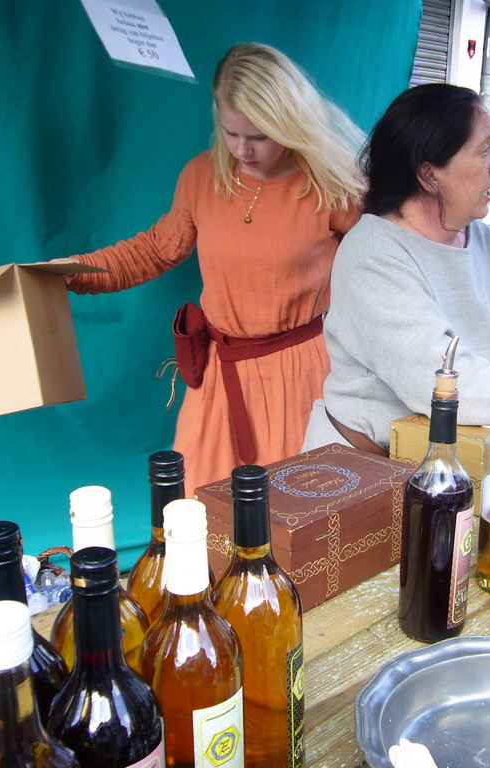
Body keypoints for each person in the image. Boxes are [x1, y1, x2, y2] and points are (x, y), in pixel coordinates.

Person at [66, 43, 364, 491]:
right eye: (231, 132)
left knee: (296, 513)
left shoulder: (333, 187)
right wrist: (72, 272)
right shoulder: (201, 177)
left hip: (305, 377)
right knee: (200, 512)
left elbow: (382, 266)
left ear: (290, 122)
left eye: (259, 135)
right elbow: (155, 250)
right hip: (221, 379)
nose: (243, 149)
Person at [303, 83, 490, 455]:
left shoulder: (479, 237)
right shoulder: (373, 253)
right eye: (484, 150)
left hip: (456, 457)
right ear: (429, 174)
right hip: (367, 472)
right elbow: (439, 381)